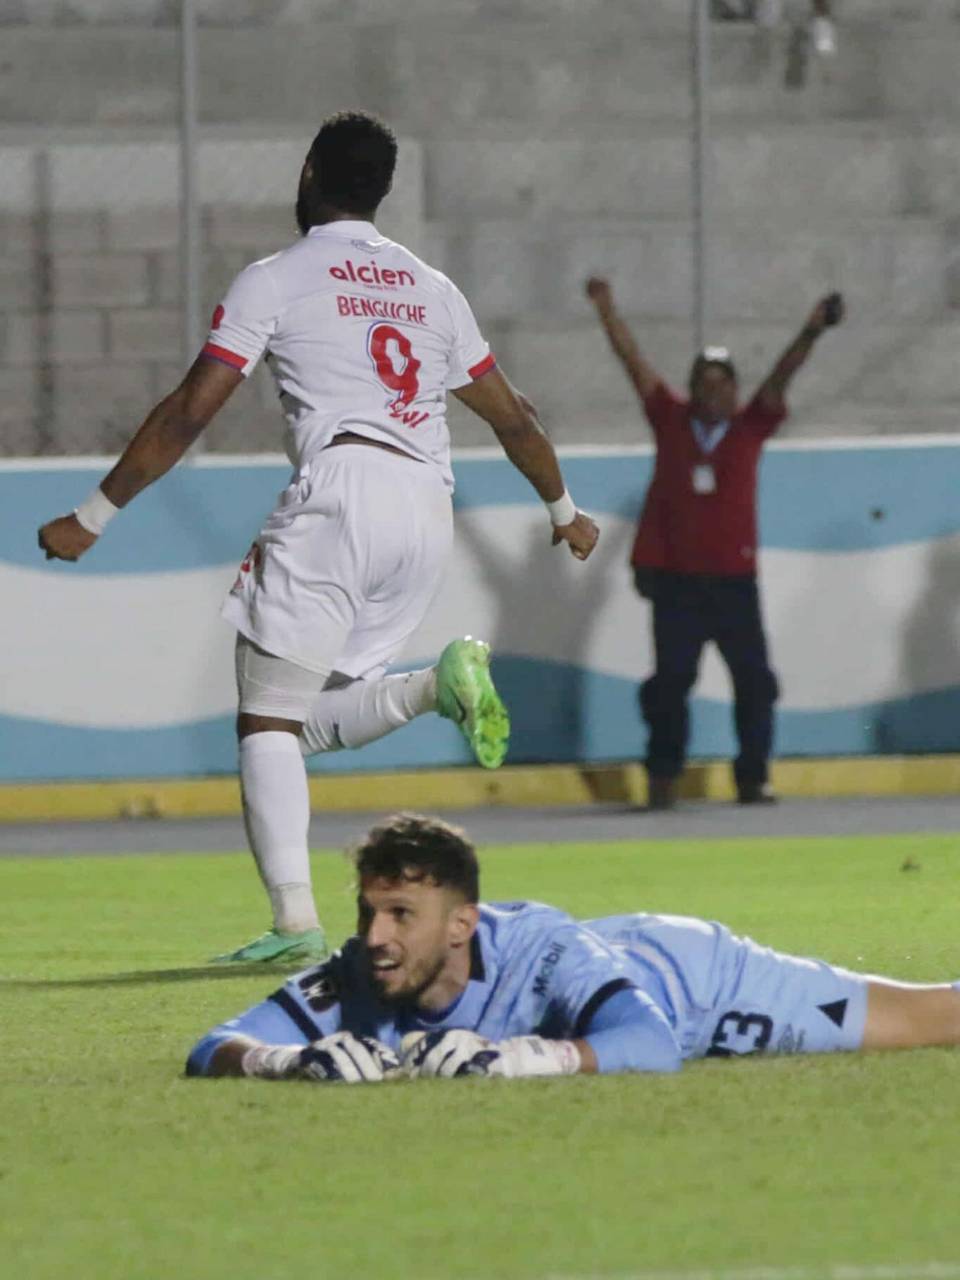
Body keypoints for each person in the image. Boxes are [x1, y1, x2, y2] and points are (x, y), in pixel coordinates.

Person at [37, 111, 599, 967]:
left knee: (265, 721)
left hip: (342, 491)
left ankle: (294, 919)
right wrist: (563, 511)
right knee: (298, 724)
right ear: (383, 189)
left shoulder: (277, 278)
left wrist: (92, 514)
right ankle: (431, 689)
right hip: (425, 506)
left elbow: (190, 409)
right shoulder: (432, 288)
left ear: (307, 173)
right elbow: (514, 416)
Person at [186, 811, 960, 1083]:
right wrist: (281, 1060)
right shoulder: (359, 970)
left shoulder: (543, 949)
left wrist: (526, 1058)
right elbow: (214, 1045)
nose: (375, 937)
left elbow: (651, 1042)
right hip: (619, 956)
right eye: (367, 913)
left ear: (461, 925)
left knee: (931, 1020)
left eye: (399, 915)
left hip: (695, 984)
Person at [585, 277, 844, 810]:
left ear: (735, 390)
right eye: (703, 383)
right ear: (692, 388)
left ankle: (752, 778)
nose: (713, 393)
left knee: (755, 682)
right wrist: (607, 311)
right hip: (677, 584)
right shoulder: (670, 420)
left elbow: (781, 376)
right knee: (670, 684)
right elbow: (633, 363)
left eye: (722, 384)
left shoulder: (751, 427)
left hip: (734, 584)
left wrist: (811, 331)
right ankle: (663, 778)